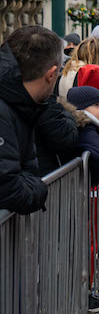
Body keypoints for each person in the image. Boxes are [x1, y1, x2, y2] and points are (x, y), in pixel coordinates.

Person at [0, 26, 63, 214]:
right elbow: (7, 188)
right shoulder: (5, 111)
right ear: (51, 75)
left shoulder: (19, 103)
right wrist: (39, 188)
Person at [65, 85, 99, 313]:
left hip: (77, 193)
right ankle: (81, 295)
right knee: (86, 242)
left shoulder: (86, 127)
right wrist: (93, 179)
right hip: (80, 193)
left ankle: (82, 293)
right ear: (82, 108)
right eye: (96, 105)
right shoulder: (87, 129)